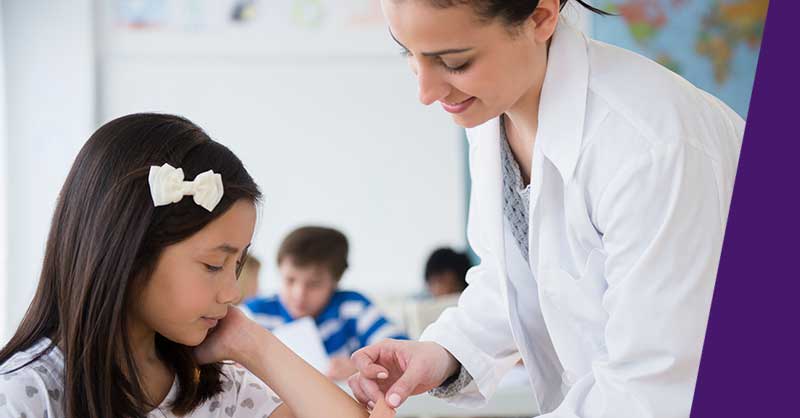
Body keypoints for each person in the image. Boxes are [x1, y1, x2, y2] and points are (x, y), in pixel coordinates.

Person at [347, 1, 744, 417]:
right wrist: (443, 353)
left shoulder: (650, 147)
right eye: (408, 52)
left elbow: (654, 386)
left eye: (454, 62)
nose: (425, 93)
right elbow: (522, 279)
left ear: (540, 17)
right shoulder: (493, 111)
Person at [0, 114, 370, 418]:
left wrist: (254, 345)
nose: (233, 292)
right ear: (127, 251)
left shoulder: (216, 389)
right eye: (213, 265)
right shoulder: (25, 396)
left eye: (237, 265)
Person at [244, 226, 408, 381]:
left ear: (335, 282)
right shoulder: (254, 315)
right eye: (290, 280)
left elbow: (403, 354)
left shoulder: (352, 308)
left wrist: (360, 368)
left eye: (314, 284)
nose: (299, 294)